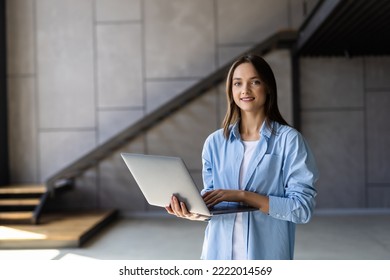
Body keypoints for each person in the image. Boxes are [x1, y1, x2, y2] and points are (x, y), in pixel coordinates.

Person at [165, 53, 318, 260]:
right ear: (231, 90)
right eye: (237, 83)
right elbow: (211, 204)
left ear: (268, 87)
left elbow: (302, 209)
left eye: (254, 82)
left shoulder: (289, 141)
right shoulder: (214, 143)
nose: (245, 90)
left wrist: (242, 196)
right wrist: (193, 212)